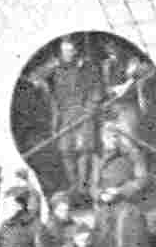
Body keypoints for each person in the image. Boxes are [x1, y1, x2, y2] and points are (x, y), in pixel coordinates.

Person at [28, 34, 107, 195]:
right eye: (64, 52)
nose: (68, 54)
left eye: (70, 51)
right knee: (66, 150)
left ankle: (83, 187)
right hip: (64, 115)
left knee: (84, 150)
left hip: (84, 112)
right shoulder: (56, 68)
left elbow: (97, 89)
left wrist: (91, 107)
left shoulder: (87, 66)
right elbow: (33, 78)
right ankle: (73, 186)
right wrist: (51, 66)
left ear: (76, 51)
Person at [91, 120, 153, 247]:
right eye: (107, 136)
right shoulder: (98, 158)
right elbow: (93, 185)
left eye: (115, 136)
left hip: (127, 208)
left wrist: (120, 191)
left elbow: (142, 180)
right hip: (105, 210)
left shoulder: (133, 155)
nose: (111, 140)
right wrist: (100, 195)